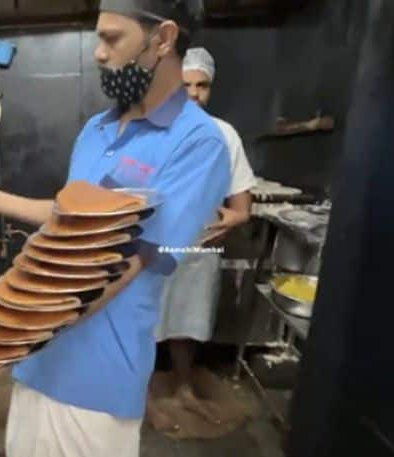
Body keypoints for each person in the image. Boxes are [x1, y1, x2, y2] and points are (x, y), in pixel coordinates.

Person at [0, 1, 230, 455]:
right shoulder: (97, 129)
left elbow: (128, 262)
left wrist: (2, 334)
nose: (98, 54)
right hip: (36, 363)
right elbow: (68, 217)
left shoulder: (197, 143)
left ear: (163, 38)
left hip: (95, 381)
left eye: (111, 38)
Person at [149, 46, 257, 427]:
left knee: (187, 323)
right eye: (186, 84)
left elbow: (242, 203)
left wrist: (234, 218)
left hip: (199, 248)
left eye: (202, 85)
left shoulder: (225, 136)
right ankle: (139, 392)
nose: (194, 93)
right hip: (156, 244)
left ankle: (183, 388)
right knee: (146, 320)